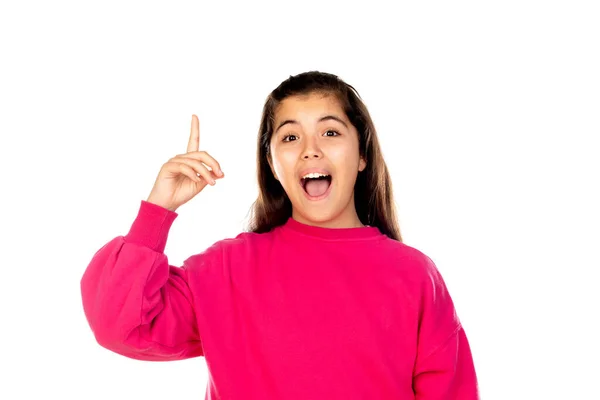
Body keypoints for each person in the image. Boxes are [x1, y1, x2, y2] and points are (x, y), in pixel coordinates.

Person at [80, 71, 479, 399]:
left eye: (331, 132)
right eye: (290, 137)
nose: (309, 150)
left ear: (362, 155)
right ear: (272, 164)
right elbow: (119, 323)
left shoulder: (413, 275)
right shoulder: (225, 269)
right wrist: (158, 210)